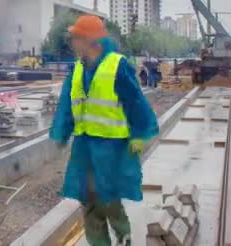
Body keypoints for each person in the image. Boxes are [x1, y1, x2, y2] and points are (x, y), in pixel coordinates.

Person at [49, 15, 159, 246]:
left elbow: (135, 102)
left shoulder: (117, 66)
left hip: (112, 145)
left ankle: (123, 235)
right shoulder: (78, 69)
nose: (72, 43)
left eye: (76, 38)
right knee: (89, 199)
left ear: (89, 40)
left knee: (108, 197)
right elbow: (67, 106)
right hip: (85, 146)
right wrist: (61, 133)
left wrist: (139, 134)